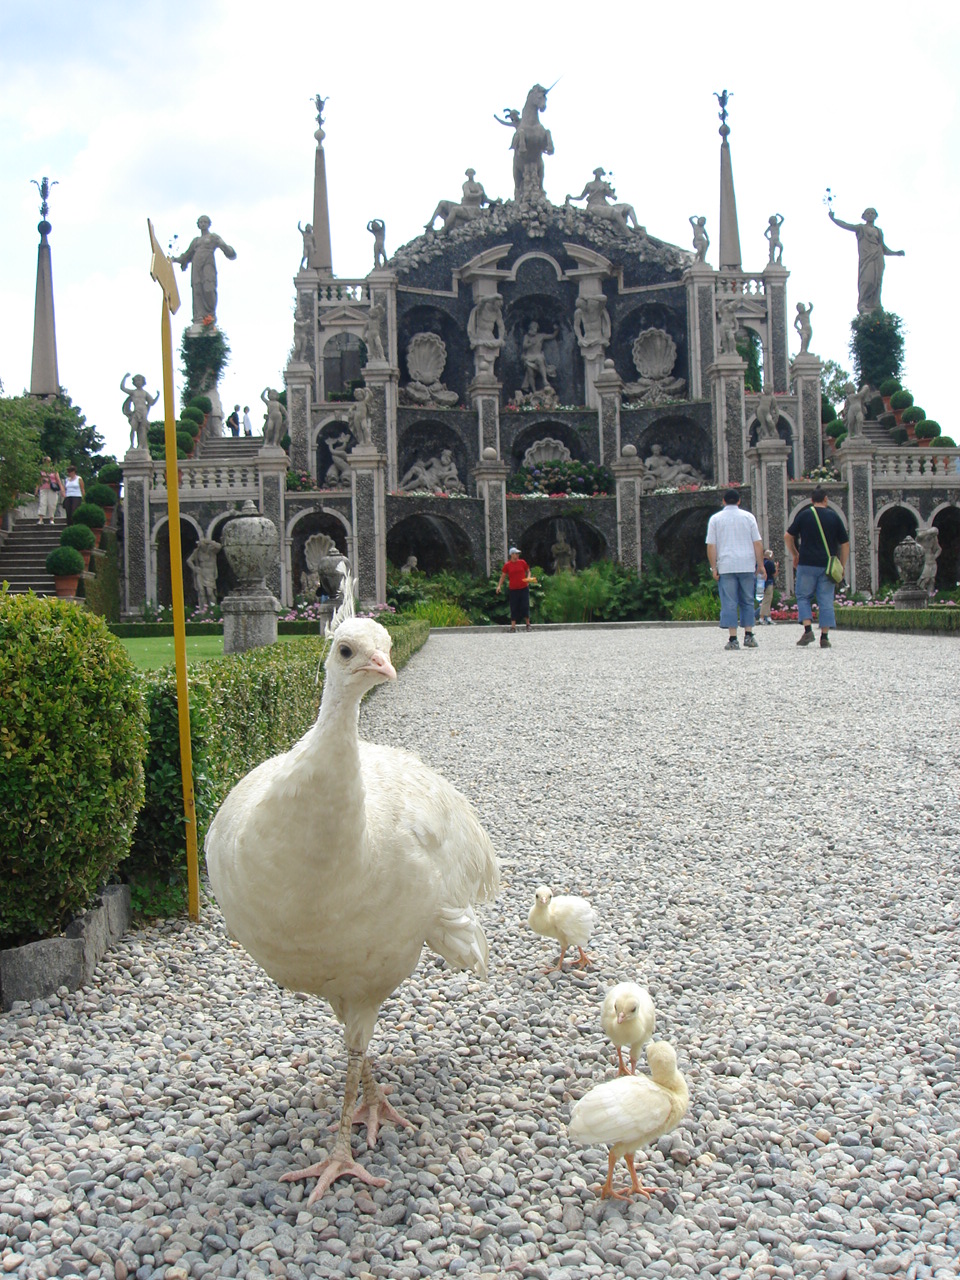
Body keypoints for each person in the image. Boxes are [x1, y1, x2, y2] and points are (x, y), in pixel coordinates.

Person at [784, 486, 850, 649]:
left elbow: (788, 536)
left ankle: (808, 630)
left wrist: (795, 554)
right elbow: (845, 543)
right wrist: (842, 565)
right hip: (827, 565)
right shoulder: (834, 517)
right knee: (826, 599)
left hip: (806, 563)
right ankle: (825, 637)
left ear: (812, 500)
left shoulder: (805, 515)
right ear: (826, 499)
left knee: (803, 596)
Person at [705, 489, 766, 650]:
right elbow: (757, 543)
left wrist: (713, 567)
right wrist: (760, 565)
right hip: (746, 564)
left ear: (723, 501)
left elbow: (711, 545)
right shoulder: (748, 517)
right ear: (739, 501)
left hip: (726, 565)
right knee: (747, 600)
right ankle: (749, 635)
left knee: (729, 602)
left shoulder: (715, 519)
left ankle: (733, 638)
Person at [496, 546, 534, 632]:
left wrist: (528, 578)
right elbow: (503, 576)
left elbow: (528, 571)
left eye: (517, 554)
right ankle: (513, 627)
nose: (517, 555)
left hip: (524, 588)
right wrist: (499, 586)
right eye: (516, 553)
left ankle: (528, 624)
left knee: (525, 605)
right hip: (513, 589)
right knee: (514, 607)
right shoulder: (507, 565)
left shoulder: (522, 562)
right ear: (512, 554)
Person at [35, 457, 62, 525]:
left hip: (52, 488)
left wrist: (62, 489)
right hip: (43, 488)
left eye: (48, 461)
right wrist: (36, 489)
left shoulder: (54, 470)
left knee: (52, 503)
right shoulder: (41, 470)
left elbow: (58, 480)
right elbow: (39, 481)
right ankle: (41, 519)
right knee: (42, 503)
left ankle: (51, 518)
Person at [756, 548, 778, 626]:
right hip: (768, 582)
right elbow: (774, 574)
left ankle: (768, 617)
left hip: (760, 583)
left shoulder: (759, 563)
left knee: (766, 600)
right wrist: (776, 567)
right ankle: (761, 617)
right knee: (767, 600)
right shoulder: (770, 563)